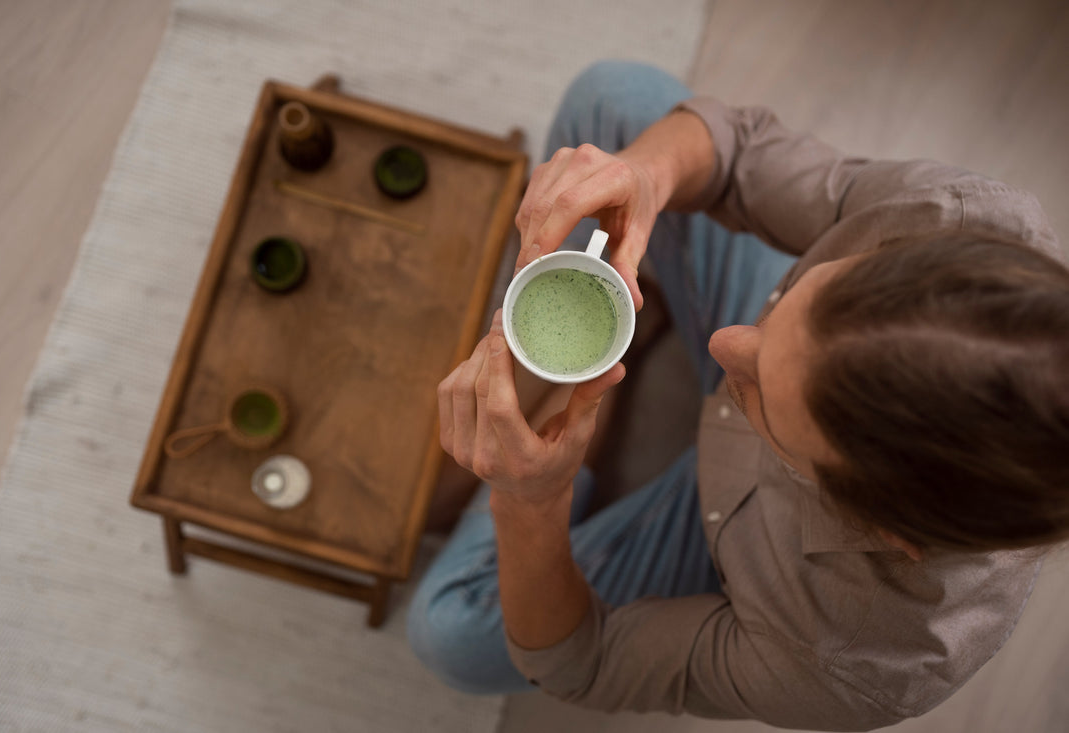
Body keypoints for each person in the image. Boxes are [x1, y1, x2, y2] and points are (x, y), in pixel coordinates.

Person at [405, 60, 1069, 729]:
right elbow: (736, 146)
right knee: (612, 103)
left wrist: (529, 500)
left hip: (737, 547)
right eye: (796, 299)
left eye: (768, 408)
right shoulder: (968, 224)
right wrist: (645, 176)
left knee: (450, 636)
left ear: (881, 529)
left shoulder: (848, 660)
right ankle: (657, 360)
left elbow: (586, 660)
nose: (726, 344)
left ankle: (548, 457)